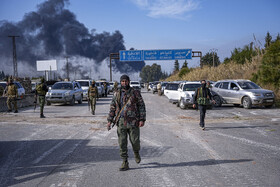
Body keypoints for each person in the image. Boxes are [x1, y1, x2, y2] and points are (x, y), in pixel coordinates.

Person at [107, 74, 146, 171]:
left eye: (126, 81)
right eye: (122, 81)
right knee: (122, 143)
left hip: (133, 122)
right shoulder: (117, 93)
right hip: (121, 122)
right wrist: (109, 121)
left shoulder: (135, 92)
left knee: (135, 141)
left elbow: (141, 106)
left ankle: (136, 152)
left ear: (129, 81)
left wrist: (142, 119)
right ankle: (125, 162)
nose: (124, 83)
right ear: (120, 82)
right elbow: (113, 108)